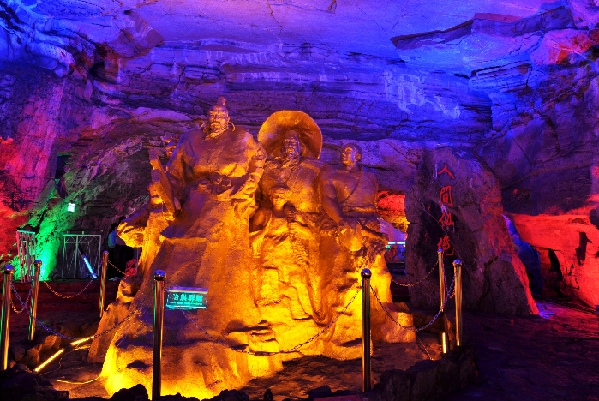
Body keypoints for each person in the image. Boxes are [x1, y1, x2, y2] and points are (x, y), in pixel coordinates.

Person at [250, 184, 314, 318]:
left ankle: (300, 310)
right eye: (276, 196)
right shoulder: (263, 213)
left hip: (290, 254)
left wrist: (299, 228)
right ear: (271, 197)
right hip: (269, 255)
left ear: (286, 199)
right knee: (271, 282)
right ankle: (270, 313)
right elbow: (251, 237)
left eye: (282, 197)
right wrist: (264, 231)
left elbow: (311, 235)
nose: (278, 199)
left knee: (297, 280)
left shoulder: (293, 215)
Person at [319, 142, 386, 252]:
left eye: (348, 151)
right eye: (342, 151)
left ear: (357, 156)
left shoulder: (370, 177)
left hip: (369, 223)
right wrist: (341, 221)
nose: (343, 154)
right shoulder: (331, 176)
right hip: (345, 223)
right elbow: (327, 199)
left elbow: (374, 203)